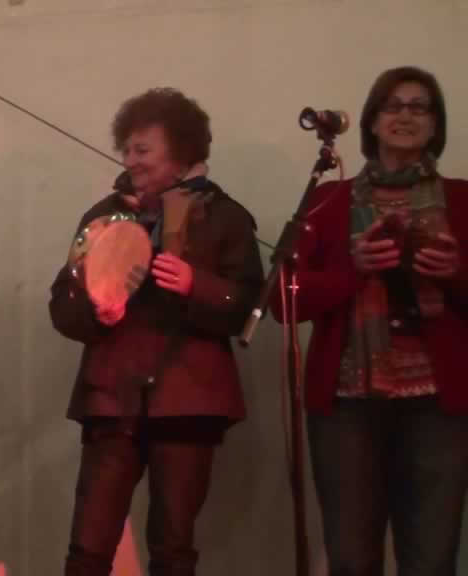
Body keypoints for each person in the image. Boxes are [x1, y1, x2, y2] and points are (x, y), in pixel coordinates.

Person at [49, 88, 263, 576]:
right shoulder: (102, 218)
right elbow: (62, 305)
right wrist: (95, 311)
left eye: (142, 149)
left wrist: (196, 285)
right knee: (87, 550)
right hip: (111, 400)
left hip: (188, 400)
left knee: (172, 549)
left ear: (181, 152)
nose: (130, 159)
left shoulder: (224, 216)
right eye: (126, 148)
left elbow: (249, 306)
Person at [272, 66, 468, 575]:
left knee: (432, 559)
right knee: (352, 559)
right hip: (347, 406)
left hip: (439, 406)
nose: (405, 115)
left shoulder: (463, 199)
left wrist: (455, 274)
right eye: (393, 105)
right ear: (372, 122)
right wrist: (352, 269)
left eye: (419, 107)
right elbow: (281, 301)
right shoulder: (327, 201)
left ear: (435, 124)